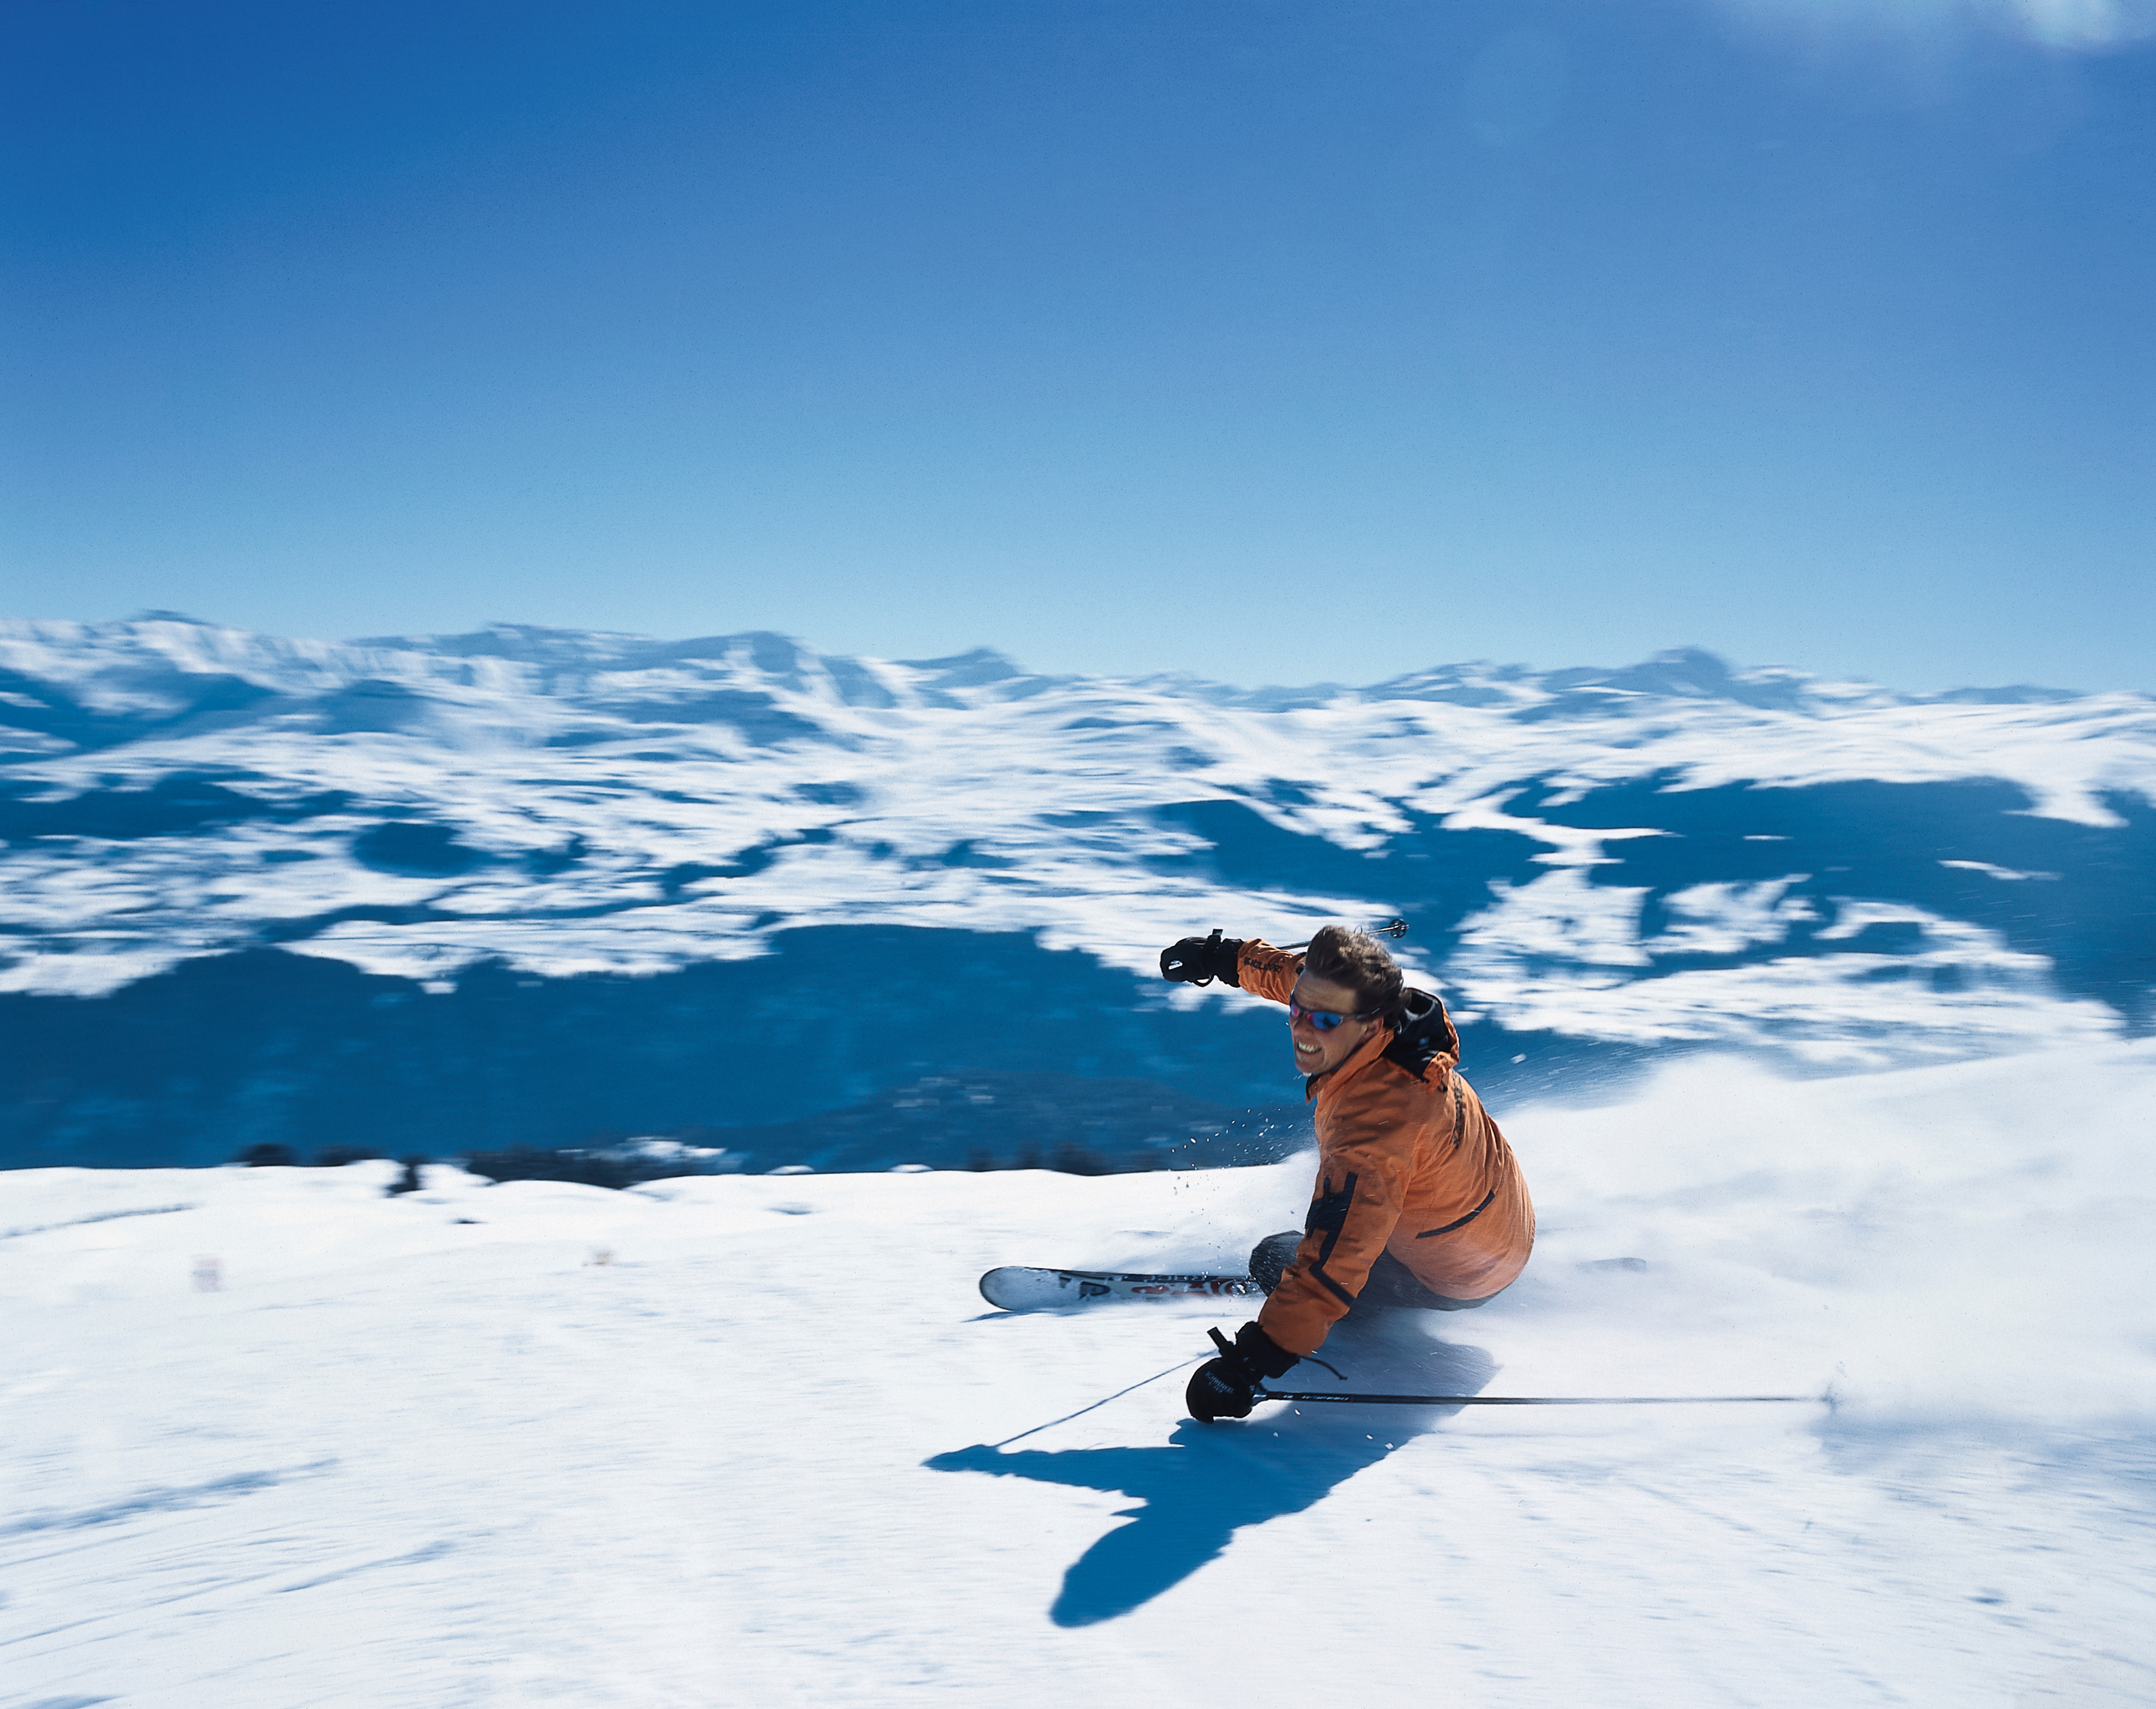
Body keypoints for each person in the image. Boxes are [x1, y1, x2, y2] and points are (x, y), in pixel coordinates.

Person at [1157, 925, 1535, 1422]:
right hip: (1505, 1224)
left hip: (1458, 1276)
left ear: (1372, 1023)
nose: (1303, 1027)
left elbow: (1336, 1260)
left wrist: (1252, 1363)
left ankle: (1383, 1306)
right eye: (1298, 1010)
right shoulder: (1399, 1019)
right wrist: (1219, 958)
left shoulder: (1374, 1128)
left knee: (1274, 1257)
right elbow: (1291, 977)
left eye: (1325, 1020)